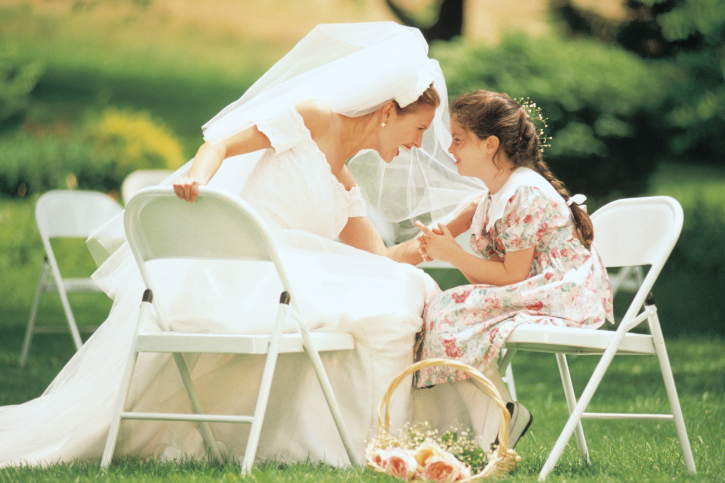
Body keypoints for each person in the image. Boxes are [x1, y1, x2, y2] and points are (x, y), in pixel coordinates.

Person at [0, 22, 484, 468]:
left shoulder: (345, 183)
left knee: (407, 289)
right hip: (241, 276)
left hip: (282, 287)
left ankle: (386, 439)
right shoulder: (315, 117)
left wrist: (446, 239)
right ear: (386, 112)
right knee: (398, 298)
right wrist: (197, 181)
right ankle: (375, 441)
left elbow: (381, 261)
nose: (420, 146)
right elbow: (219, 145)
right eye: (419, 129)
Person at [414, 90, 614, 451]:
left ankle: (498, 417)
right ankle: (496, 418)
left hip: (563, 294)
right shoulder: (493, 194)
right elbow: (493, 277)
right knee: (445, 308)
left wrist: (453, 253)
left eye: (458, 140)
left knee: (447, 309)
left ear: (490, 144)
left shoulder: (523, 192)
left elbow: (511, 277)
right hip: (537, 288)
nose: (450, 149)